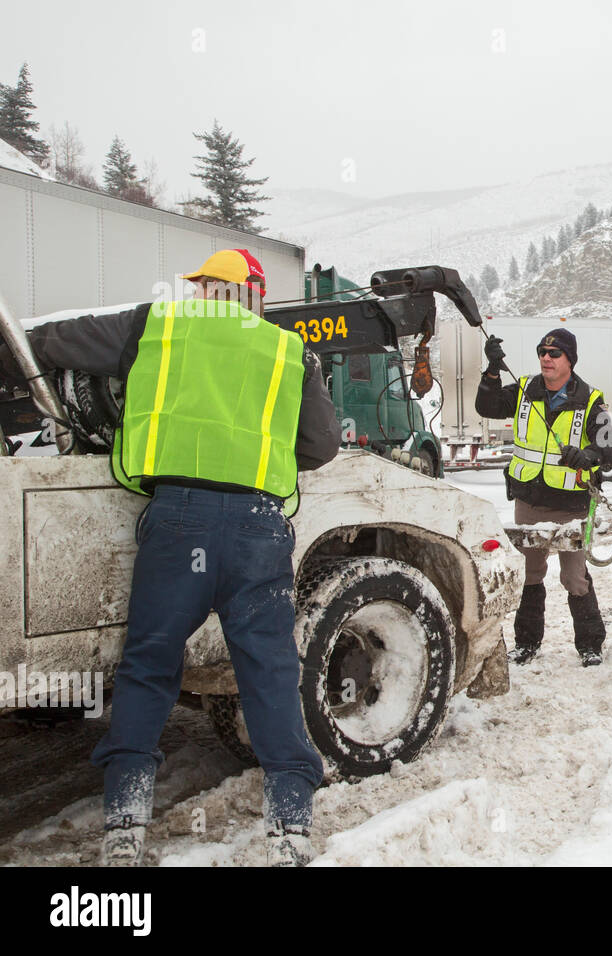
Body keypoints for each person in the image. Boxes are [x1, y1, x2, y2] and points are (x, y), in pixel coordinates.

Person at [20, 249, 341, 866]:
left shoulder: (155, 325)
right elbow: (320, 444)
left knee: (148, 664)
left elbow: (57, 343)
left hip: (178, 522)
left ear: (206, 290)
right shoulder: (290, 351)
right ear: (254, 294)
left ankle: (124, 823)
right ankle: (291, 825)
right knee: (269, 672)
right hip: (257, 527)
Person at [476, 328, 612, 667]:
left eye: (554, 354)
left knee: (574, 577)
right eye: (542, 352)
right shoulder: (524, 390)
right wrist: (492, 370)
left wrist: (588, 456)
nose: (546, 358)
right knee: (530, 574)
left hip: (571, 504)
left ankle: (590, 645)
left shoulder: (591, 400)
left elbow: (609, 450)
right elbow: (487, 405)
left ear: (570, 360)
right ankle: (526, 644)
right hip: (530, 500)